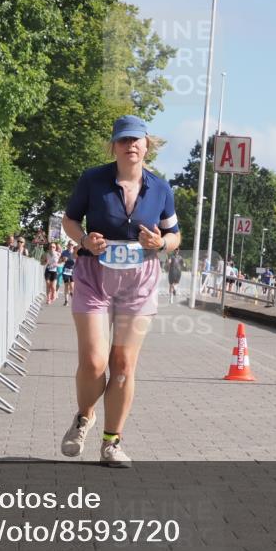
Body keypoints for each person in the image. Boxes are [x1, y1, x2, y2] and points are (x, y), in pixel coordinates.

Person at [60, 114, 180, 468]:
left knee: (124, 365)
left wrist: (162, 242)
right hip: (94, 274)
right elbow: (69, 220)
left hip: (139, 279)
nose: (131, 146)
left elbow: (174, 235)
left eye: (136, 140)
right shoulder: (92, 180)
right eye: (123, 140)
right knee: (94, 362)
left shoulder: (160, 188)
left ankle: (112, 442)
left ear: (147, 146)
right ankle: (84, 416)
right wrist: (83, 238)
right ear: (113, 146)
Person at [59, 240, 77, 306]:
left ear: (73, 246)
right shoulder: (64, 252)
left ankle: (72, 295)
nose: (70, 246)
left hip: (73, 270)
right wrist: (63, 259)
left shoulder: (75, 252)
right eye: (69, 244)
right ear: (67, 245)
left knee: (72, 286)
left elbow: (78, 261)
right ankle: (66, 301)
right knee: (66, 285)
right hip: (66, 270)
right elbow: (59, 261)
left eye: (72, 245)